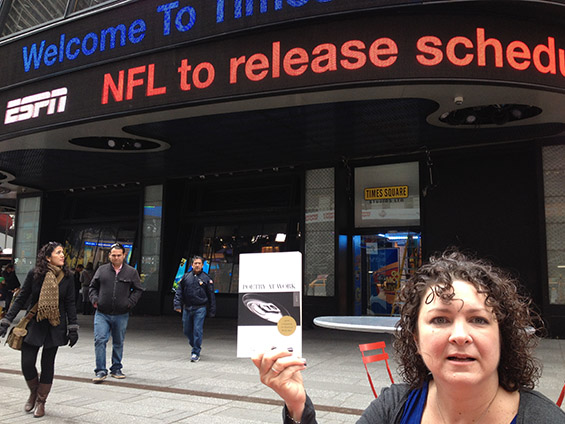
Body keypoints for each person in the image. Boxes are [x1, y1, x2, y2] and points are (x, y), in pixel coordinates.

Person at [253, 249, 565, 424]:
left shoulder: (544, 420)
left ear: (502, 335)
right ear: (416, 338)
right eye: (440, 319)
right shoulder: (394, 408)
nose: (460, 335)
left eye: (478, 320)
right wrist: (298, 407)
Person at [0, 242, 79, 418]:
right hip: (34, 323)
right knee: (27, 363)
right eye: (58, 252)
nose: (62, 255)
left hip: (55, 324)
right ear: (48, 257)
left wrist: (73, 327)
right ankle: (33, 392)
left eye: (62, 252)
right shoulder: (35, 274)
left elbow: (70, 303)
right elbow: (21, 298)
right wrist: (7, 320)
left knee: (47, 364)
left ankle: (41, 401)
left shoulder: (68, 276)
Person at [88, 243, 143, 383]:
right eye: (113, 255)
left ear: (124, 255)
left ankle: (116, 368)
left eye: (119, 255)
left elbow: (138, 289)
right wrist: (95, 300)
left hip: (121, 313)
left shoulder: (131, 272)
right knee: (100, 340)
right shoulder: (102, 270)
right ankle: (100, 370)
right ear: (109, 256)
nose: (116, 258)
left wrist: (129, 303)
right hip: (102, 312)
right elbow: (92, 287)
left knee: (118, 342)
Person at [174, 255, 216, 362]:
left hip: (200, 308)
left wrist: (212, 310)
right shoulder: (186, 277)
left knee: (197, 330)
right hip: (187, 307)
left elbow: (211, 296)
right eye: (195, 263)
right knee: (187, 330)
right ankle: (195, 345)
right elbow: (179, 292)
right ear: (192, 265)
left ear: (202, 265)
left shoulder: (207, 279)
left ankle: (196, 352)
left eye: (199, 263)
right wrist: (177, 305)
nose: (197, 265)